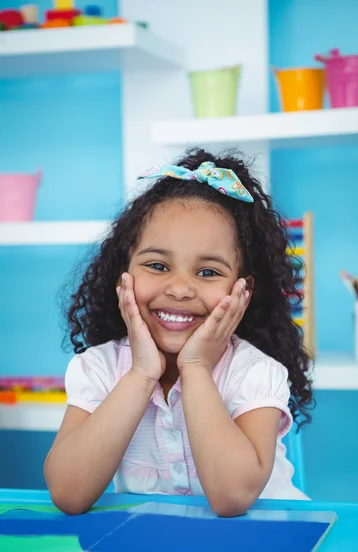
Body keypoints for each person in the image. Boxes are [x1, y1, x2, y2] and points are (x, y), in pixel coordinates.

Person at [44, 148, 313, 517]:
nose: (180, 288)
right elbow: (68, 492)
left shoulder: (254, 373)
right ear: (122, 274)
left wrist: (197, 368)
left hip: (263, 550)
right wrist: (141, 374)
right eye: (157, 265)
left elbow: (232, 497)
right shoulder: (101, 369)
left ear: (242, 291)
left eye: (208, 272)